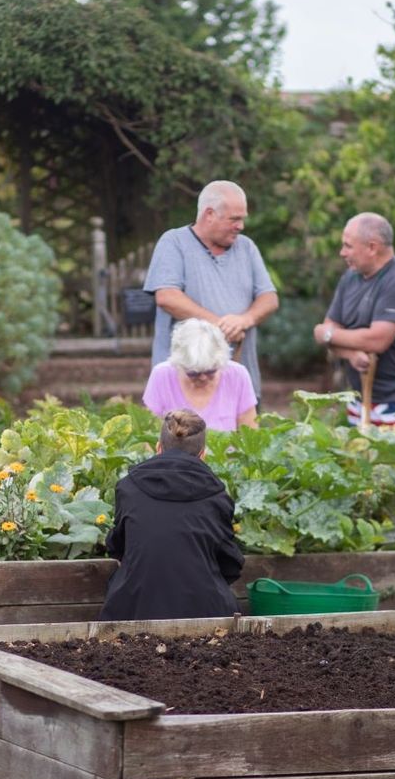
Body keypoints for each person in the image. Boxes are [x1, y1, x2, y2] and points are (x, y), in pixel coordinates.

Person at [99, 409, 244, 621]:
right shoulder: (217, 497)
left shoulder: (128, 488)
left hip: (131, 610)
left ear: (159, 448)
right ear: (203, 454)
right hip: (206, 613)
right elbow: (230, 563)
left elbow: (117, 547)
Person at [144, 180, 278, 402]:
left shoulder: (246, 247)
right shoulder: (174, 242)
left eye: (242, 219)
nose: (241, 226)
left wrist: (244, 320)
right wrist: (220, 326)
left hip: (239, 387)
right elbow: (167, 297)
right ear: (209, 214)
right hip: (184, 385)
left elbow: (269, 298)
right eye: (234, 219)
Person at [312, 213, 395, 418]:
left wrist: (325, 334)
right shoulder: (350, 278)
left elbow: (376, 340)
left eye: (348, 246)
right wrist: (350, 354)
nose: (342, 252)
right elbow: (331, 326)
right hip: (362, 399)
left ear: (372, 247)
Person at [142, 318, 257, 431]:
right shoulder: (161, 375)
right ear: (179, 365)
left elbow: (250, 433)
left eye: (210, 371)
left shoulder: (237, 375)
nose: (203, 377)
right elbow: (149, 434)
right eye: (193, 373)